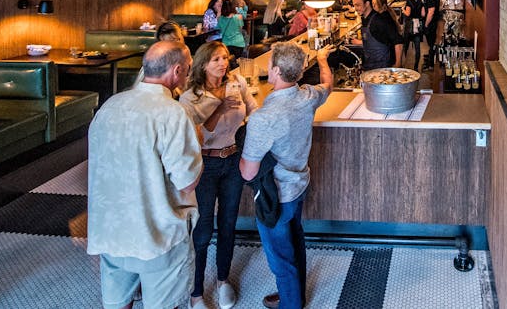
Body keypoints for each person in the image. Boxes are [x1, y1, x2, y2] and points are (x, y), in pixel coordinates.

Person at [87, 41, 202, 309]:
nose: (186, 76)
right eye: (186, 70)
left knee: (118, 304)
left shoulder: (109, 106)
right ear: (176, 71)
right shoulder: (173, 113)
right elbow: (187, 182)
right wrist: (197, 142)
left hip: (110, 229)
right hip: (156, 231)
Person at [240, 43, 334, 309]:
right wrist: (323, 59)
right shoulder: (308, 96)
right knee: (295, 242)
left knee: (280, 258)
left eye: (269, 64)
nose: (267, 68)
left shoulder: (263, 118)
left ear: (277, 71)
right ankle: (293, 296)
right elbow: (328, 84)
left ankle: (291, 303)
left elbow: (248, 171)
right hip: (299, 185)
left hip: (275, 196)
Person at [180, 42, 257, 309]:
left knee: (228, 223)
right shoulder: (191, 96)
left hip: (233, 159)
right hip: (205, 164)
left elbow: (252, 110)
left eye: (224, 58)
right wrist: (221, 106)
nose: (223, 64)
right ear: (202, 64)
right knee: (202, 230)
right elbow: (200, 130)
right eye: (215, 59)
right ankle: (196, 292)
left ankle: (223, 280)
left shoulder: (236, 82)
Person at [351, 0, 403, 70]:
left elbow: (398, 41)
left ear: (367, 4)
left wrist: (398, 64)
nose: (355, 8)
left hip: (383, 66)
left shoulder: (379, 20)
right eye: (354, 5)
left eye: (358, 5)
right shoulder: (364, 19)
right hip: (370, 65)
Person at [400, 0, 425, 70]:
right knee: (417, 48)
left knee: (405, 46)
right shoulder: (421, 2)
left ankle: (403, 65)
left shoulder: (409, 2)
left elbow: (408, 13)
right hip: (417, 26)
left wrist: (403, 10)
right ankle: (416, 67)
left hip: (409, 26)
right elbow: (423, 14)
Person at [421, 0, 441, 69]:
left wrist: (426, 24)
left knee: (431, 43)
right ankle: (430, 61)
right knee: (431, 43)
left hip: (431, 24)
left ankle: (431, 64)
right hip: (432, 23)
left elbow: (430, 13)